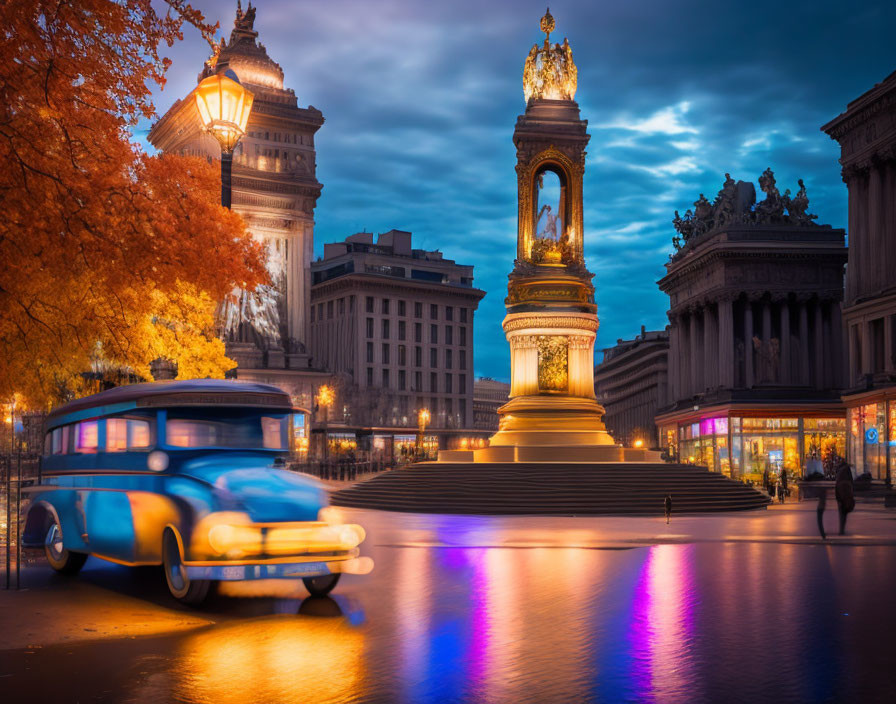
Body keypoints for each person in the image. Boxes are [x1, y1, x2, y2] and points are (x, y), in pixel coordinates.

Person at [835, 462, 855, 535]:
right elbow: (851, 483)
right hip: (846, 497)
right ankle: (842, 529)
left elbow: (837, 486)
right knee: (844, 513)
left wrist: (837, 497)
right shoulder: (847, 471)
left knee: (841, 513)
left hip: (840, 497)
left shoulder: (839, 474)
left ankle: (841, 530)